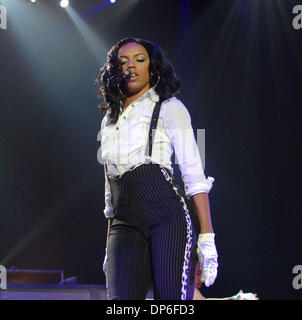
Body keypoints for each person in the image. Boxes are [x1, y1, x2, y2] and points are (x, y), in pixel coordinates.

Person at [96, 37, 218, 300]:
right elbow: (110, 191)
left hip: (167, 219)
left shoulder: (169, 108)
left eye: (140, 59)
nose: (131, 66)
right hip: (124, 224)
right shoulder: (109, 119)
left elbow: (194, 176)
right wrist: (109, 244)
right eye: (123, 61)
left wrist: (207, 238)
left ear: (152, 68)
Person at [193, 262, 259, 300]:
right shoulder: (186, 287)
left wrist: (234, 298)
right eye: (198, 273)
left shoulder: (193, 290)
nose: (202, 279)